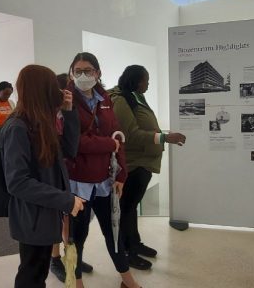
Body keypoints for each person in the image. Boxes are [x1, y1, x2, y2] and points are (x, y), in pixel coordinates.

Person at [1, 64, 85, 288]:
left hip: (44, 211)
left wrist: (68, 112)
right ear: (42, 90)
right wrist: (66, 200)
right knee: (32, 273)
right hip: (32, 216)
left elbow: (70, 149)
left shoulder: (40, 122)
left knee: (37, 270)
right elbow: (17, 182)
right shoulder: (18, 127)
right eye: (52, 87)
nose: (58, 92)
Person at [66, 52, 141, 288]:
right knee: (76, 236)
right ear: (71, 74)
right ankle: (74, 281)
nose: (83, 75)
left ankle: (127, 280)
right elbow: (74, 142)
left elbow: (119, 135)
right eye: (77, 71)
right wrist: (109, 144)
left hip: (104, 180)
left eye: (88, 70)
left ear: (98, 73)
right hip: (77, 180)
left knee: (114, 232)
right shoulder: (66, 102)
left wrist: (121, 173)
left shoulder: (105, 98)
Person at [109, 65, 186, 270]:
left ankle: (135, 243)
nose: (148, 83)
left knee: (130, 207)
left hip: (143, 162)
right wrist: (164, 137)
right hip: (133, 164)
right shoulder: (121, 100)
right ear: (136, 80)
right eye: (146, 80)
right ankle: (128, 253)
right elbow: (131, 134)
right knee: (126, 208)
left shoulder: (134, 96)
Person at [49, 73, 95, 282]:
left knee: (69, 220)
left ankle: (70, 258)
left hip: (70, 174)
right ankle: (55, 258)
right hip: (54, 175)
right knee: (58, 219)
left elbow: (72, 143)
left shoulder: (69, 111)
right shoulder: (47, 115)